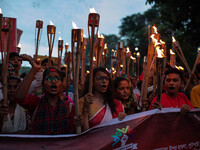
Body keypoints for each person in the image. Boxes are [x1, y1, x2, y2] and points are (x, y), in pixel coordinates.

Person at [14, 54, 79, 135]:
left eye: (56, 78)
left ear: (61, 84)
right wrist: (34, 69)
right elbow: (18, 97)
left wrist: (80, 122)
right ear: (43, 85)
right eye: (48, 78)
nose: (53, 81)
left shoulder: (69, 108)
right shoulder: (36, 103)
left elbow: (71, 135)